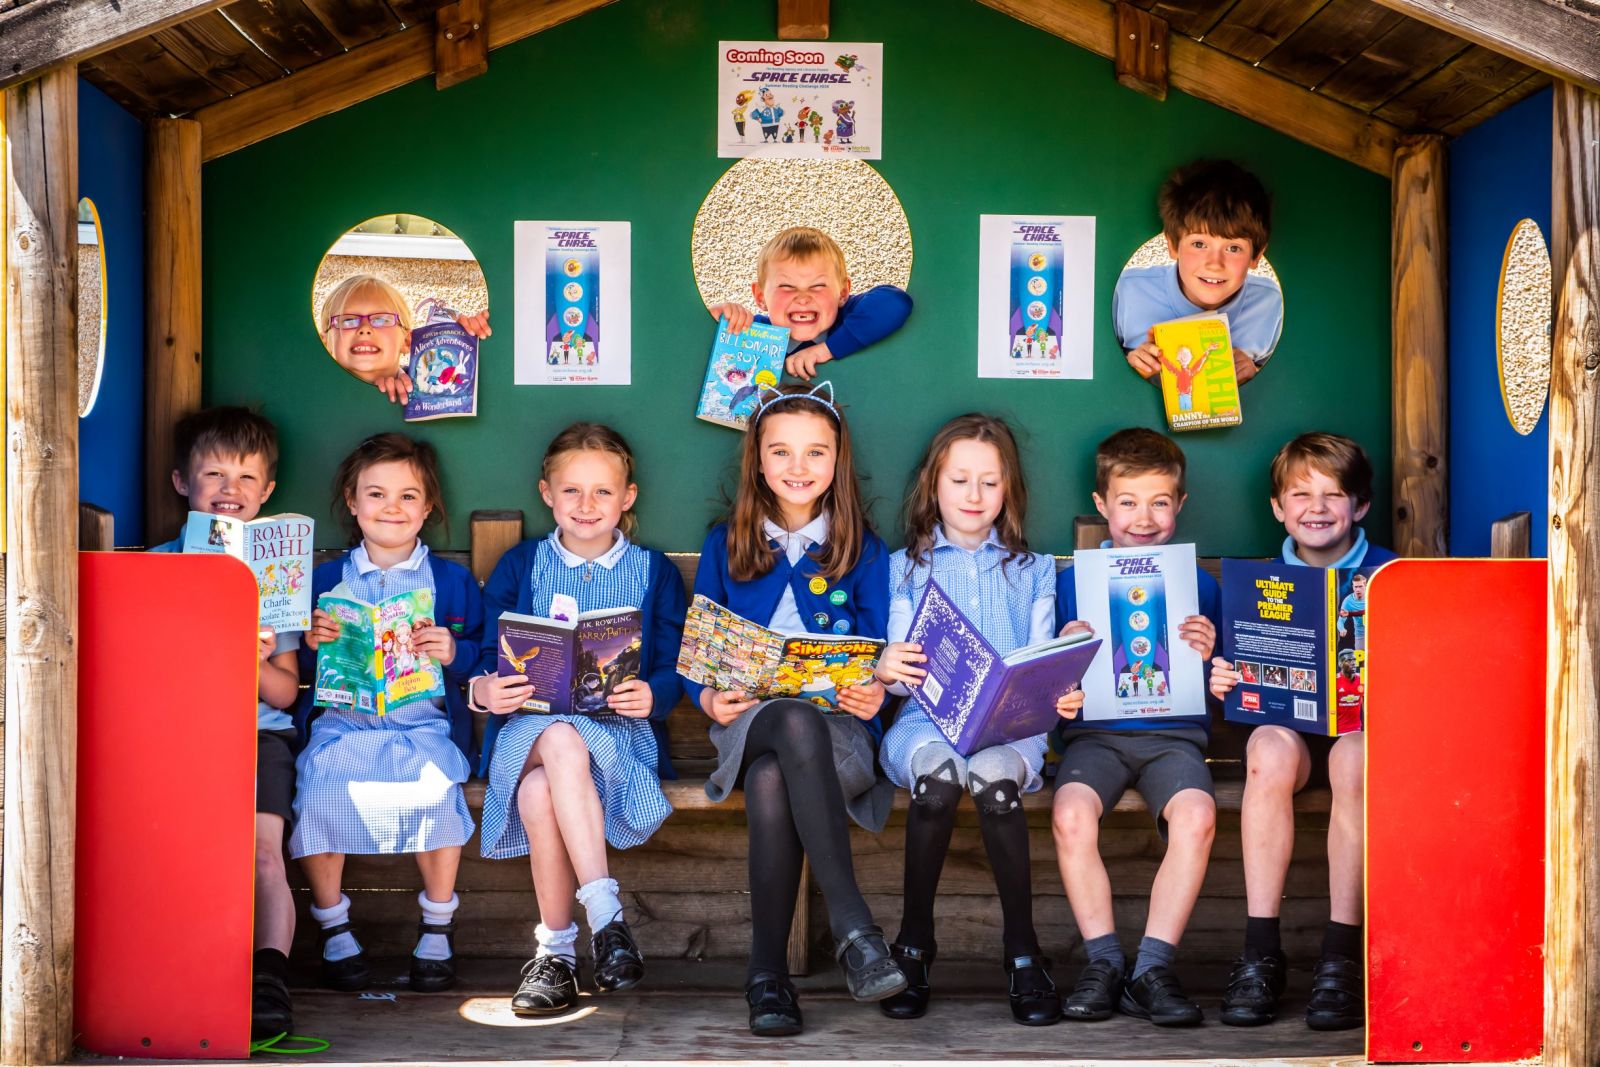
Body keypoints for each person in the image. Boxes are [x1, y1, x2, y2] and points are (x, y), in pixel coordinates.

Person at [685, 381, 905, 1036]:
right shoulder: (726, 541)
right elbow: (697, 653)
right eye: (781, 451)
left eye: (816, 452)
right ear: (757, 460)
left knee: (774, 776)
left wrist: (874, 692)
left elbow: (876, 652)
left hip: (839, 733)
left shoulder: (862, 548)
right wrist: (709, 698)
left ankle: (766, 977)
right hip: (749, 724)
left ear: (838, 460)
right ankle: (856, 929)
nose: (798, 466)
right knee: (786, 720)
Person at [470, 423, 687, 1015]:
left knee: (541, 790)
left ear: (628, 497)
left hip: (619, 735)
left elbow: (674, 664)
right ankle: (607, 918)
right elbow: (487, 656)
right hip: (527, 732)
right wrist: (487, 689)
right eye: (571, 490)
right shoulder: (522, 565)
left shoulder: (654, 571)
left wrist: (654, 695)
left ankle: (556, 954)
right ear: (547, 493)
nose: (586, 504)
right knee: (560, 738)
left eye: (602, 492)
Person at [873, 414, 1081, 1026]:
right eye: (959, 480)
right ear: (933, 485)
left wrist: (1061, 689)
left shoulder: (1033, 570)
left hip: (1009, 728)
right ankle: (914, 945)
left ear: (1008, 489)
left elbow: (1042, 664)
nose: (974, 495)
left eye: (989, 483)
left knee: (994, 784)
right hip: (925, 723)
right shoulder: (903, 567)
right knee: (938, 783)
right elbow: (895, 679)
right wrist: (889, 668)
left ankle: (1023, 952)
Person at [1208, 431, 1397, 1031]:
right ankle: (1261, 952)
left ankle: (1342, 955)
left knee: (1355, 759)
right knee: (1266, 749)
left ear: (1360, 506)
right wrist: (1221, 676)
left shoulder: (1391, 574)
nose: (1317, 508)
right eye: (1300, 494)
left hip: (1360, 735)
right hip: (1289, 733)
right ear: (1277, 508)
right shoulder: (1257, 583)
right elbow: (1234, 666)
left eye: (1333, 494)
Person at [295, 433, 484, 994]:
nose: (392, 508)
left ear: (427, 508)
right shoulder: (326, 579)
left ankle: (438, 924)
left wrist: (453, 651)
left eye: (408, 496)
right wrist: (311, 641)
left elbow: (482, 654)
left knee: (438, 794)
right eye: (376, 494)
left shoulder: (449, 581)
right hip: (342, 727)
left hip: (420, 727)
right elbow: (298, 660)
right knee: (318, 791)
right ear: (352, 503)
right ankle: (334, 925)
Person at [1051, 428, 1220, 1027]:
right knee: (1070, 813)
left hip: (1174, 740)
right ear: (1102, 504)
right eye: (1127, 502)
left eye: (1159, 502)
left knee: (1197, 816)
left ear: (1180, 504)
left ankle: (1150, 969)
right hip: (1095, 739)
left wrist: (1211, 652)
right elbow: (1048, 691)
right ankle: (1103, 963)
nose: (1143, 518)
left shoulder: (1200, 586)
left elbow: (1227, 681)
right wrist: (1064, 661)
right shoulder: (1069, 584)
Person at [150, 406, 300, 1040]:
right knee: (175, 851)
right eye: (213, 473)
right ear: (183, 482)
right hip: (181, 736)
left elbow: (286, 693)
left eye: (245, 477)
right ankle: (185, 970)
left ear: (266, 491)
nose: (229, 489)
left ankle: (269, 980)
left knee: (264, 855)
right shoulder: (158, 565)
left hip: (260, 733)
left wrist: (253, 656)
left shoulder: (276, 575)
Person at [1116, 159, 1281, 386]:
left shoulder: (1269, 304)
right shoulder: (1130, 291)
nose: (1215, 264)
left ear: (1256, 256)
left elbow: (1278, 368)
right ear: (1173, 246)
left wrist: (1254, 370)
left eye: (1233, 248)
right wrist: (1130, 363)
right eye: (1199, 244)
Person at [708, 226, 912, 380]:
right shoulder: (754, 333)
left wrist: (827, 349)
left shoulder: (849, 317)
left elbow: (894, 303)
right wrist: (719, 316)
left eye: (818, 286)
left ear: (842, 293)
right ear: (760, 297)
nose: (803, 297)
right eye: (787, 286)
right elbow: (701, 338)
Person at [318, 272, 489, 401]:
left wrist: (468, 337)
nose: (364, 329)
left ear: (407, 341)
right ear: (325, 342)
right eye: (347, 320)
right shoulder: (314, 389)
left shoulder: (429, 382)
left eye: (381, 319)